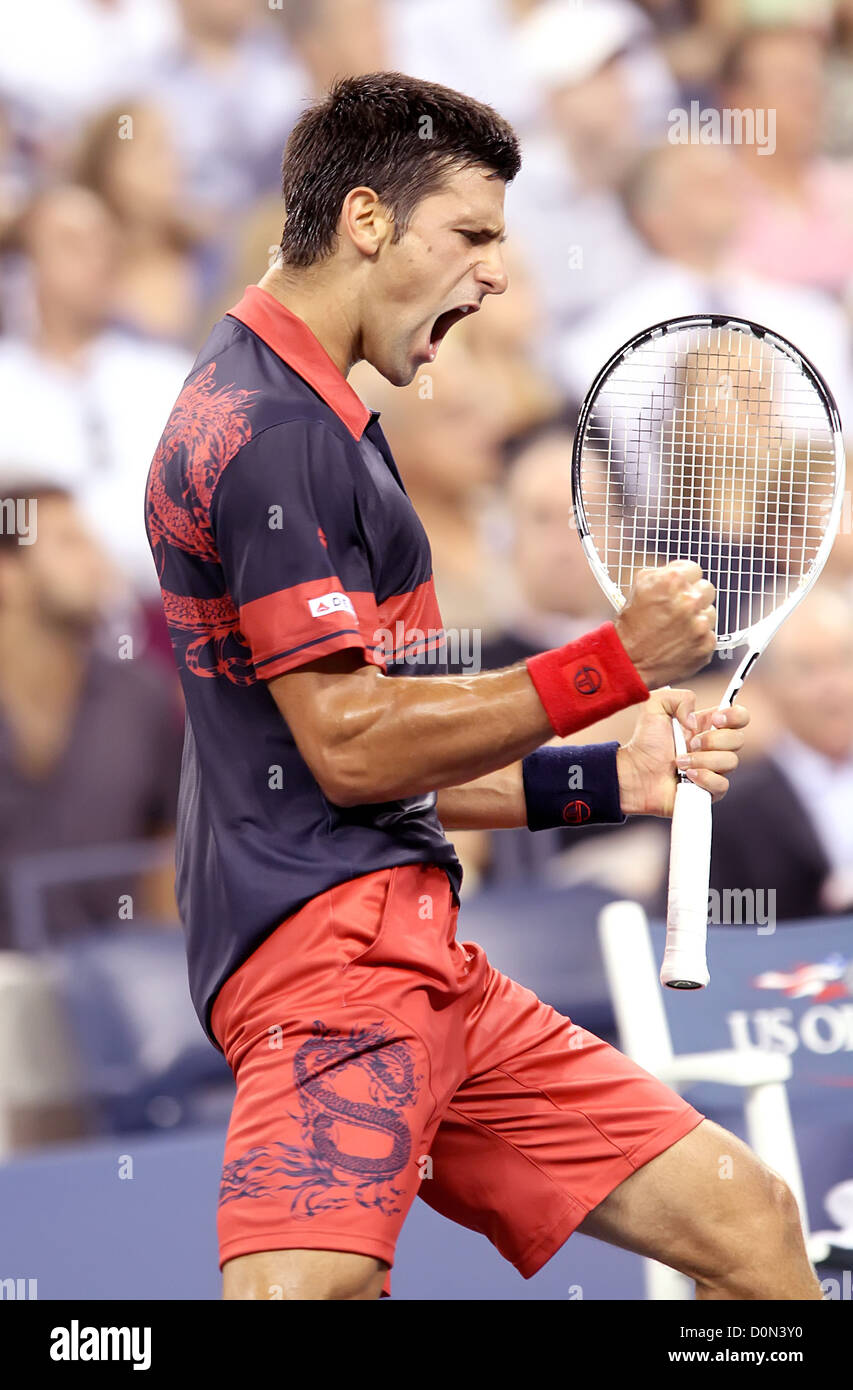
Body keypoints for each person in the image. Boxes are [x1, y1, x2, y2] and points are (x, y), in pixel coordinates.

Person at [146, 72, 818, 1302]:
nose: (496, 274)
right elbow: (348, 749)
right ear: (365, 222)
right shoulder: (271, 431)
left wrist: (609, 772)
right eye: (470, 235)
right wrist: (612, 663)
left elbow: (384, 763)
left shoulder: (313, 414)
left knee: (756, 1231)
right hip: (332, 967)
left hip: (420, 955)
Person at [0, 482, 182, 945]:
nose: (98, 560)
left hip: (115, 984)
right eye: (69, 543)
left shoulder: (144, 696)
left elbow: (171, 838)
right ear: (8, 574)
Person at [710, 588, 853, 921]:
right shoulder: (729, 806)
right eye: (807, 669)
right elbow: (716, 927)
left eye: (845, 660)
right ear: (766, 686)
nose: (833, 686)